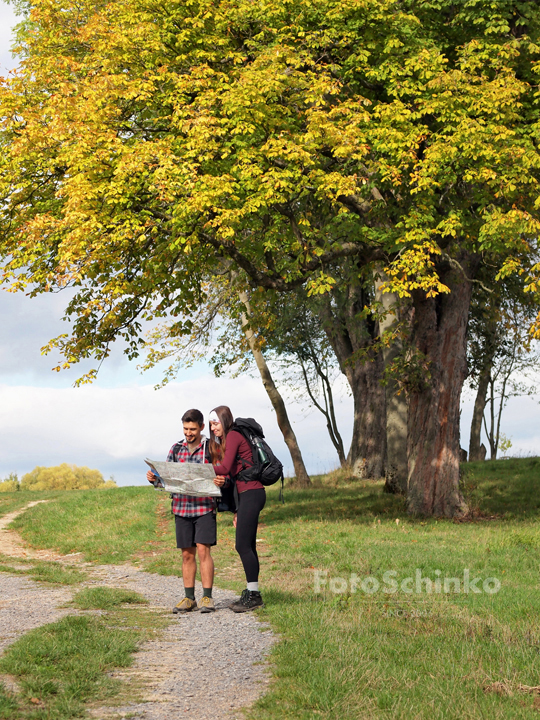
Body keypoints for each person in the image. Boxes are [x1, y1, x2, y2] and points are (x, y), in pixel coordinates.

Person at [146, 408, 218, 614]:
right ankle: (189, 598)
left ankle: (207, 597)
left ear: (202, 427)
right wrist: (154, 479)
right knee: (187, 554)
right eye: (186, 428)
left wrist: (221, 481)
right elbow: (166, 480)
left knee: (204, 551)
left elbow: (223, 474)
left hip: (204, 507)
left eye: (193, 429)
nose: (188, 433)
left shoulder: (211, 448)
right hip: (181, 507)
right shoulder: (176, 449)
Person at [209, 405, 265, 613]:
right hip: (248, 495)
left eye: (215, 424)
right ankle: (252, 592)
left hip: (252, 493)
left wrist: (200, 469)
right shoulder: (230, 438)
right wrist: (237, 509)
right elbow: (232, 474)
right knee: (249, 545)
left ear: (224, 420)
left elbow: (224, 468)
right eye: (211, 425)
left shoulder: (232, 435)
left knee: (242, 546)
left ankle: (254, 595)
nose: (213, 428)